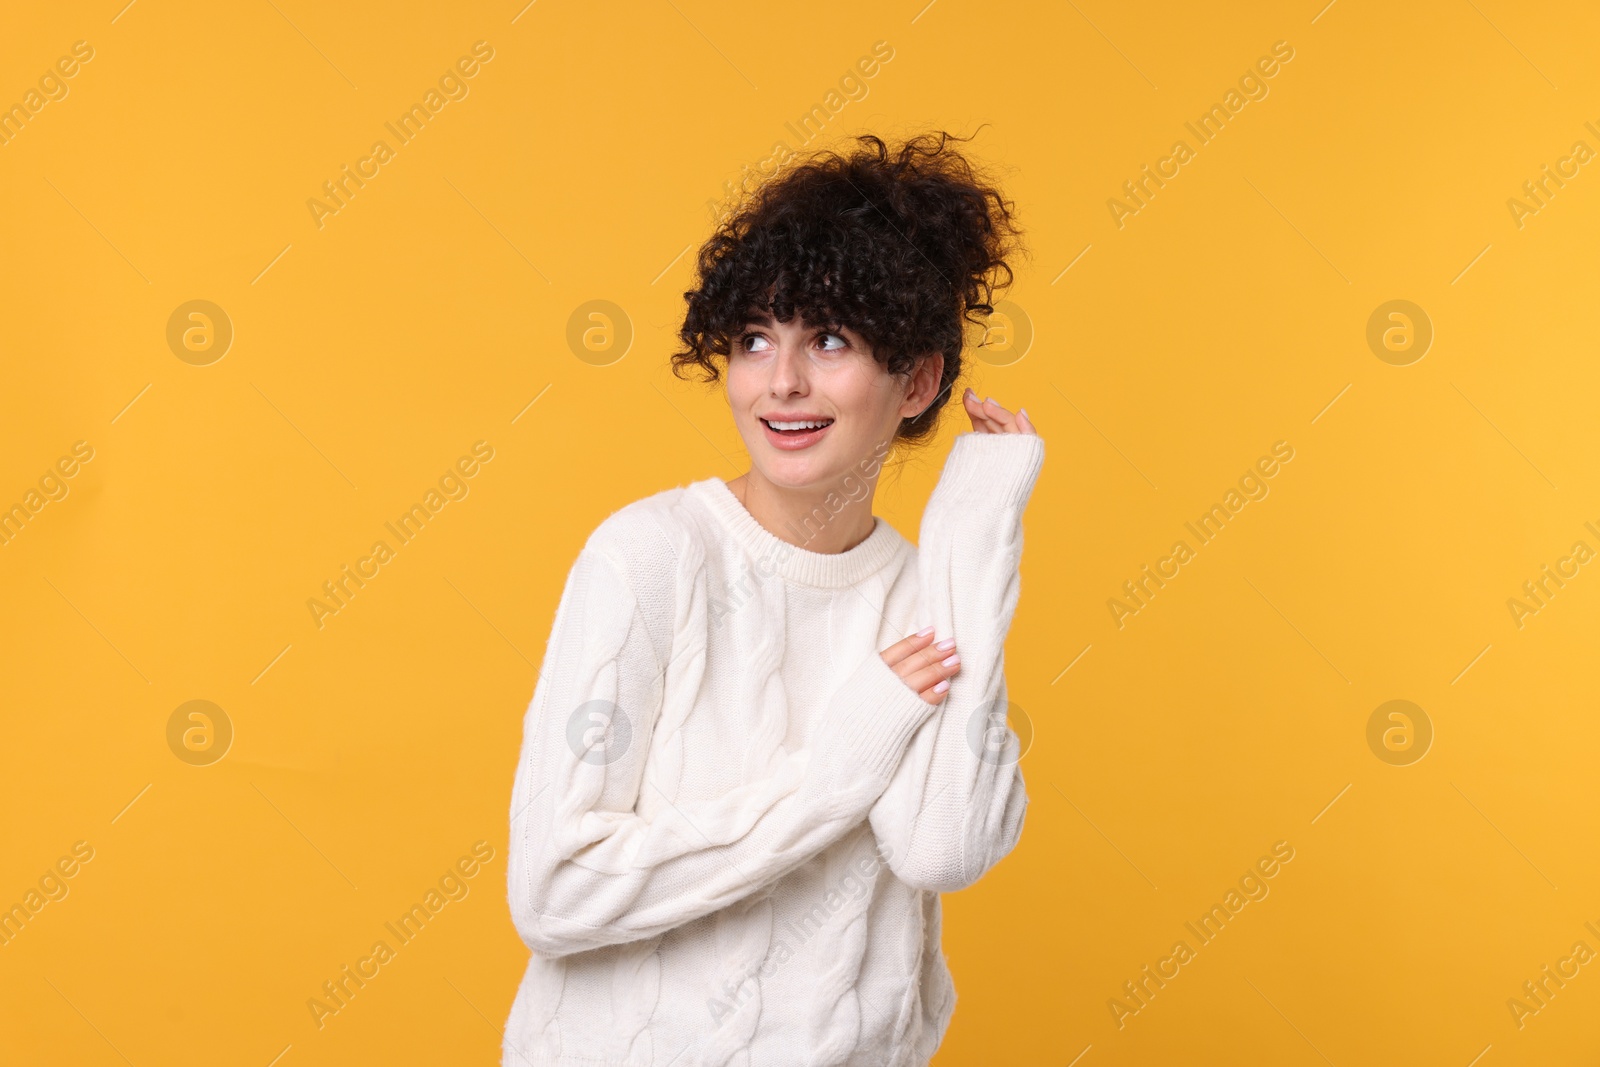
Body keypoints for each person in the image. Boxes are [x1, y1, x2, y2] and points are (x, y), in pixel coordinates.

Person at [504, 130, 1045, 1066]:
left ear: (916, 381)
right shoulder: (651, 559)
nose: (781, 382)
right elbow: (553, 890)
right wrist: (830, 773)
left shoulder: (929, 589)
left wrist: (974, 540)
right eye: (755, 339)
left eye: (829, 340)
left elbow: (942, 847)